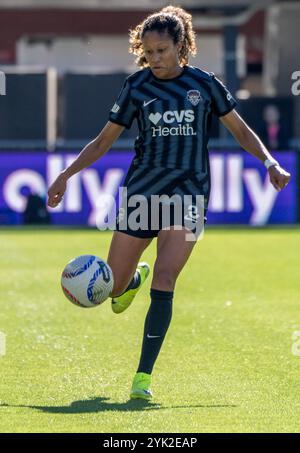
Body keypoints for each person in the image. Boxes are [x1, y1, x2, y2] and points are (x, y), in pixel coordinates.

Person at [47, 5, 291, 401]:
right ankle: (131, 282)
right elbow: (102, 141)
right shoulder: (136, 87)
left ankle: (142, 378)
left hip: (190, 196)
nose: (155, 58)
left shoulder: (205, 85)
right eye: (148, 51)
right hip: (141, 195)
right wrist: (65, 175)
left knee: (166, 279)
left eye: (162, 50)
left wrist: (270, 162)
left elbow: (243, 131)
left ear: (182, 45)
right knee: (113, 289)